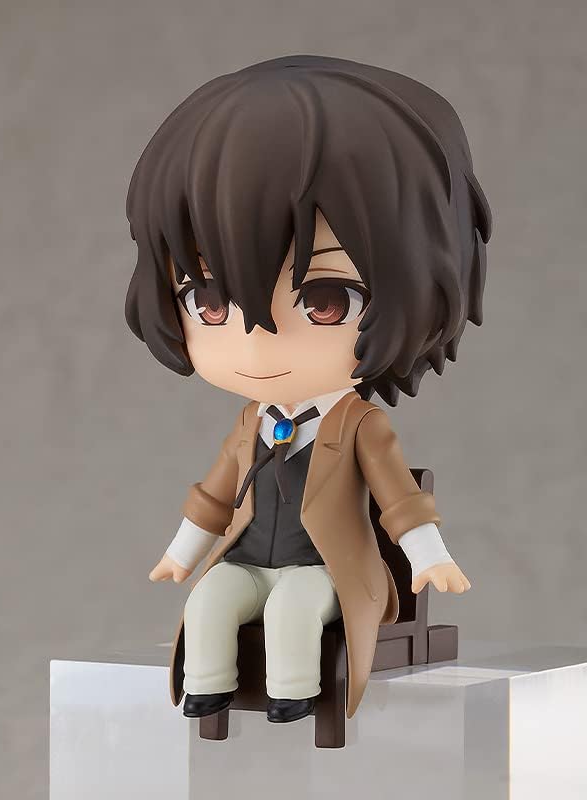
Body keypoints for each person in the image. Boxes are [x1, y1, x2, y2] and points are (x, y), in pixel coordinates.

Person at [125, 55, 492, 724]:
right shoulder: (251, 423)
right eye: (209, 301)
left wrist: (430, 559)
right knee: (209, 600)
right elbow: (216, 496)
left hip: (323, 568)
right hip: (247, 559)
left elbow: (399, 500)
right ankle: (208, 687)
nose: (258, 343)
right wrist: (181, 555)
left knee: (294, 608)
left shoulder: (359, 426)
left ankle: (295, 693)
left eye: (325, 300)